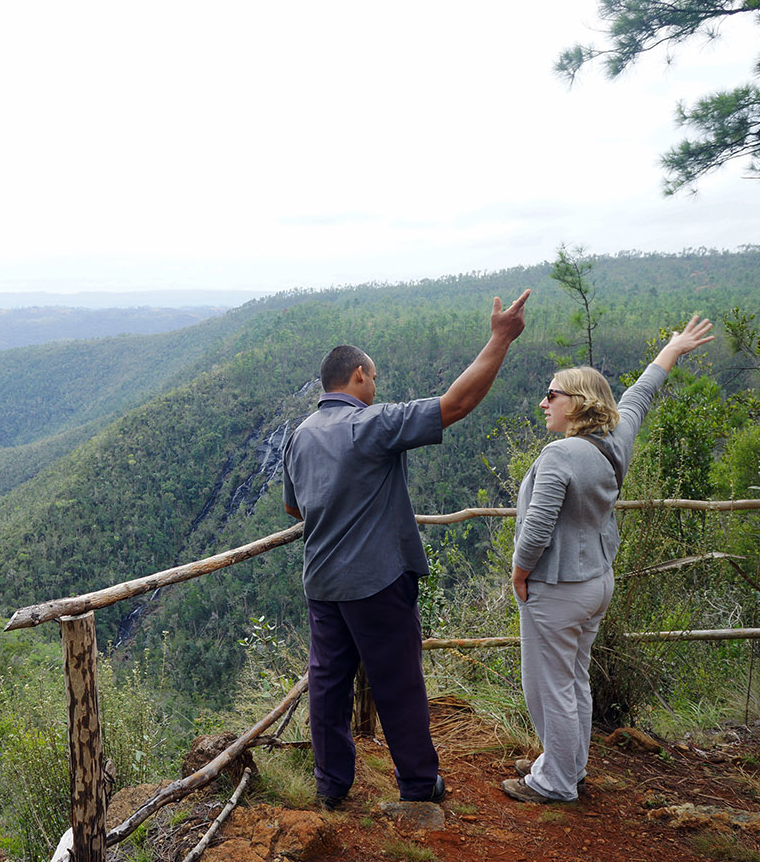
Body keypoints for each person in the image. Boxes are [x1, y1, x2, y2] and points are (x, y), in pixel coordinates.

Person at [282, 289, 530, 808]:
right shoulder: (371, 425)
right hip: (375, 582)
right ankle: (418, 784)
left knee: (328, 686)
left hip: (322, 584)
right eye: (373, 378)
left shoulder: (299, 436)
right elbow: (456, 404)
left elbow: (295, 509)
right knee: (397, 682)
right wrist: (500, 338)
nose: (376, 386)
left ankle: (331, 787)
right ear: (356, 377)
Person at [502, 315, 715, 804]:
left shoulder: (560, 456)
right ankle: (568, 766)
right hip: (597, 581)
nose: (544, 402)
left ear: (576, 402)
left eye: (551, 394)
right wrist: (673, 349)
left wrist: (519, 572)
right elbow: (640, 393)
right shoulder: (615, 440)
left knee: (547, 686)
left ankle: (553, 782)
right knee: (574, 678)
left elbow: (537, 526)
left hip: (556, 587)